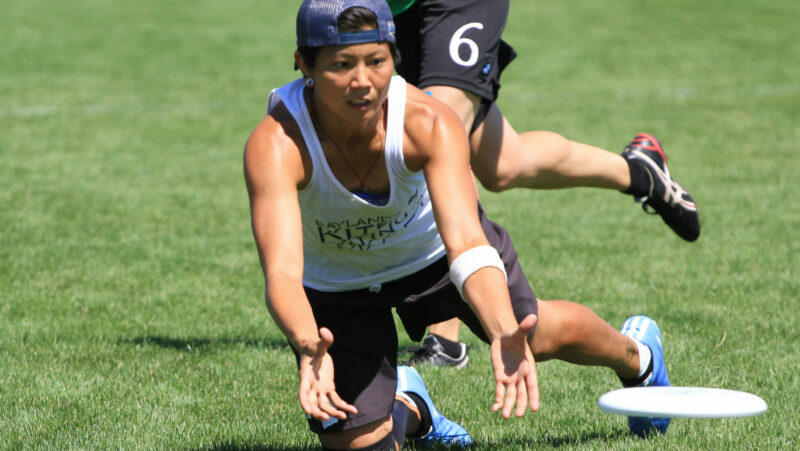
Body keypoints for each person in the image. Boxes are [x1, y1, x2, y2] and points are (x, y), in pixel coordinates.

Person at [244, 1, 670, 448]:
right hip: (338, 284)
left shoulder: (428, 121)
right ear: (304, 65)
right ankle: (412, 408)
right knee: (359, 442)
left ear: (394, 57)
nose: (362, 82)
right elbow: (284, 273)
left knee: (535, 335)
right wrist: (308, 343)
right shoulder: (275, 144)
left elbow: (467, 240)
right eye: (341, 65)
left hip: (434, 253)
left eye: (377, 62)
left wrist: (503, 327)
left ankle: (637, 358)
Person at [387, 0, 701, 368]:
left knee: (438, 134)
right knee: (502, 164)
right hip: (393, 11)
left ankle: (446, 334)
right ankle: (638, 172)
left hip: (456, 4)